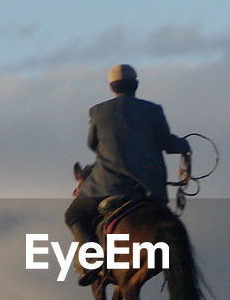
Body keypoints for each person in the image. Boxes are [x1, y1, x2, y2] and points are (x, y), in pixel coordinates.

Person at [65, 64, 191, 284]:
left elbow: (92, 144)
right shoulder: (153, 110)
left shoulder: (98, 111)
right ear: (136, 86)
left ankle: (92, 260)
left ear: (112, 87)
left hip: (107, 185)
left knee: (73, 214)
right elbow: (167, 143)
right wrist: (185, 145)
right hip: (149, 190)